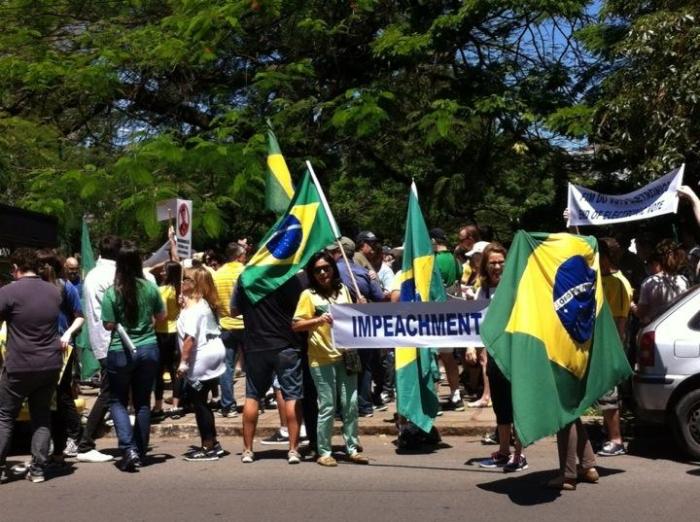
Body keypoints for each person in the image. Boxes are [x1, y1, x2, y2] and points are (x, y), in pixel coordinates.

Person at [292, 252, 369, 466]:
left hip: (346, 355)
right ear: (312, 273)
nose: (323, 273)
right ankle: (324, 451)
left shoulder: (344, 290)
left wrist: (361, 306)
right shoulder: (308, 295)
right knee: (327, 405)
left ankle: (352, 447)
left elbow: (354, 319)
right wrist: (318, 319)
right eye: (318, 270)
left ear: (333, 269)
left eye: (326, 268)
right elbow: (296, 324)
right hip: (321, 358)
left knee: (351, 404)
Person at [101, 241, 165, 471]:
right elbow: (161, 315)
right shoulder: (149, 288)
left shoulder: (112, 292)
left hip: (120, 350)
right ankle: (140, 449)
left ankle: (127, 448)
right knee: (142, 403)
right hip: (148, 348)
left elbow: (108, 324)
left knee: (117, 400)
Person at [0, 248, 63, 483]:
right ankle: (38, 470)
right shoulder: (54, 291)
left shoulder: (8, 292)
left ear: (16, 268)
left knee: (5, 416)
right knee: (41, 416)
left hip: (19, 365)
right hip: (49, 364)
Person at [230, 274, 305, 464]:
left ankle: (247, 450)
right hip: (285, 343)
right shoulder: (289, 276)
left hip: (256, 345)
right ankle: (293, 450)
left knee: (252, 396)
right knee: (292, 395)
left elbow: (233, 311)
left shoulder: (245, 278)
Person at [477, 243, 528, 473]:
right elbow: (478, 322)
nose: (497, 266)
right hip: (495, 356)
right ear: (485, 267)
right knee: (501, 406)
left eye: (500, 262)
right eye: (492, 263)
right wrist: (476, 348)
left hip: (516, 354)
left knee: (518, 405)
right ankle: (504, 450)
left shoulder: (517, 287)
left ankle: (520, 454)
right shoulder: (483, 290)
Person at [36, 249, 85, 462]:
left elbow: (79, 316)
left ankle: (74, 437)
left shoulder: (65, 288)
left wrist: (67, 333)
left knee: (63, 395)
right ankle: (56, 441)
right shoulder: (34, 289)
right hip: (39, 347)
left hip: (63, 348)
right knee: (48, 397)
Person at [177, 267, 226, 461]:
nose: (181, 282)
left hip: (201, 356)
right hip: (212, 352)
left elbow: (189, 339)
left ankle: (208, 446)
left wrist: (183, 363)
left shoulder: (194, 310)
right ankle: (213, 442)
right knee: (202, 400)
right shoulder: (201, 303)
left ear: (193, 284)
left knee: (199, 403)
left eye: (185, 279)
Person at [597, 238, 633, 457]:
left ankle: (616, 439)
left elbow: (621, 321)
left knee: (609, 395)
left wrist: (614, 354)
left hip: (610, 347)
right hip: (599, 345)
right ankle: (608, 432)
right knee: (602, 394)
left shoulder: (618, 282)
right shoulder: (601, 278)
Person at [430, 228, 464, 412]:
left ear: (434, 240)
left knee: (433, 357)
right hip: (451, 313)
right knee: (449, 357)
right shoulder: (455, 260)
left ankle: (433, 398)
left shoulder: (432, 260)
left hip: (434, 313)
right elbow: (458, 283)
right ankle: (456, 395)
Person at [213, 242, 247, 418]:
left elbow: (214, 301)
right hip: (247, 324)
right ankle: (254, 402)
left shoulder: (218, 274)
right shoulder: (246, 272)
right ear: (239, 256)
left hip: (226, 324)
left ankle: (228, 405)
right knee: (252, 365)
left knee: (226, 366)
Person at [153, 261, 182, 420]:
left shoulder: (162, 290)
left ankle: (158, 406)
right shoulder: (180, 289)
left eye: (164, 270)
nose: (162, 272)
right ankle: (176, 405)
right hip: (176, 331)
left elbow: (161, 313)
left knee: (159, 370)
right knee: (174, 369)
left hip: (162, 332)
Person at [635, 239, 689, 325]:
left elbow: (641, 313)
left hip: (657, 328)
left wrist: (631, 305)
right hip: (680, 325)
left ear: (657, 262)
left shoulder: (649, 282)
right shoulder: (683, 280)